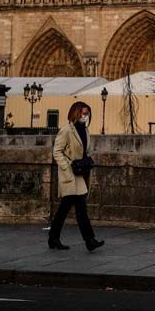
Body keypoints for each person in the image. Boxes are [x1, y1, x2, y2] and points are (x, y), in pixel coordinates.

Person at [48, 101, 104, 252]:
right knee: (78, 209)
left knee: (66, 209)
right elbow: (57, 151)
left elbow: (84, 151)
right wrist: (67, 167)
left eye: (87, 114)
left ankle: (54, 238)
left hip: (80, 173)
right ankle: (89, 240)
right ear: (76, 113)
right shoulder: (67, 130)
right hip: (71, 175)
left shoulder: (85, 131)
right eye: (84, 113)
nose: (86, 116)